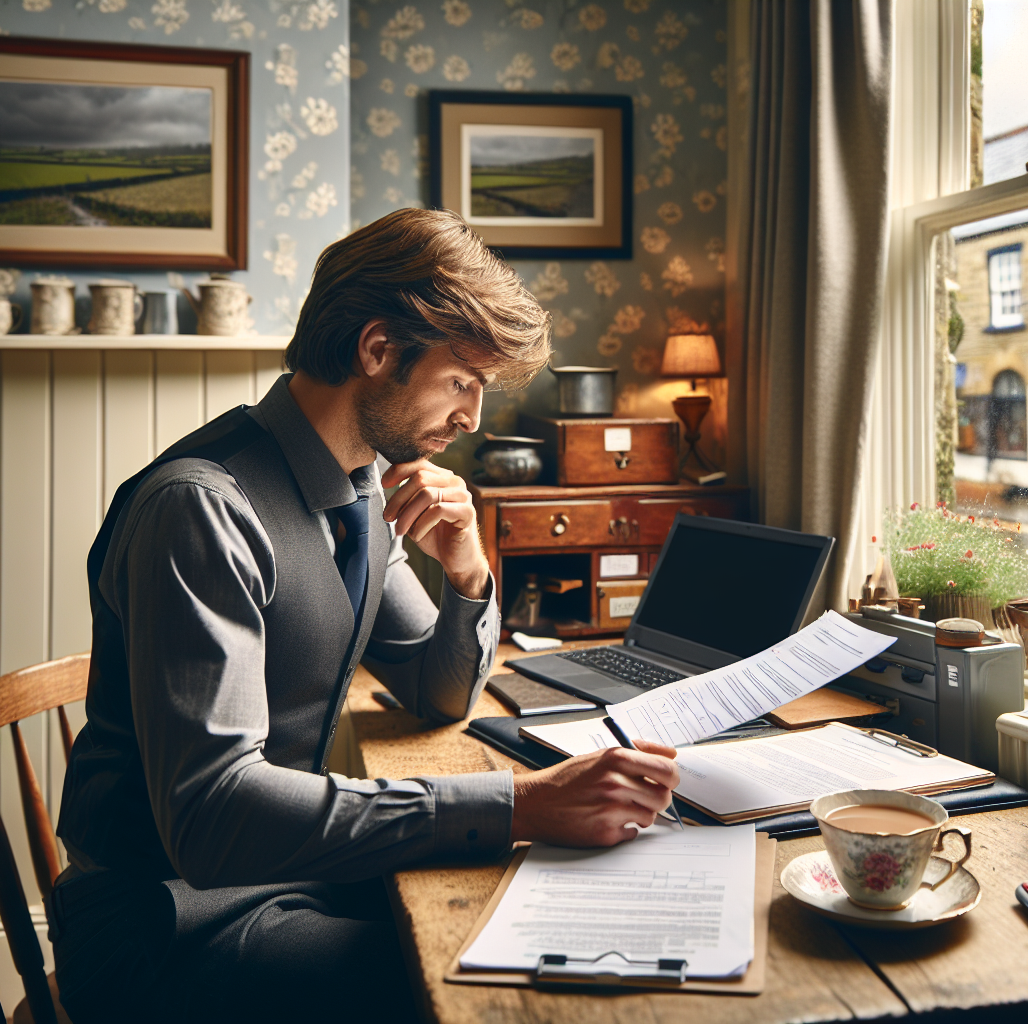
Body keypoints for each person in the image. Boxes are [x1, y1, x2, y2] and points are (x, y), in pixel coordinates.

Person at [47, 208, 680, 1023]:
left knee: (562, 937)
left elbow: (435, 690)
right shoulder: (202, 510)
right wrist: (519, 805)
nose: (473, 420)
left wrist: (467, 570)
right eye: (462, 381)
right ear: (378, 351)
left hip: (292, 875)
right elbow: (212, 818)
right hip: (167, 924)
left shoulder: (358, 487)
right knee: (498, 994)